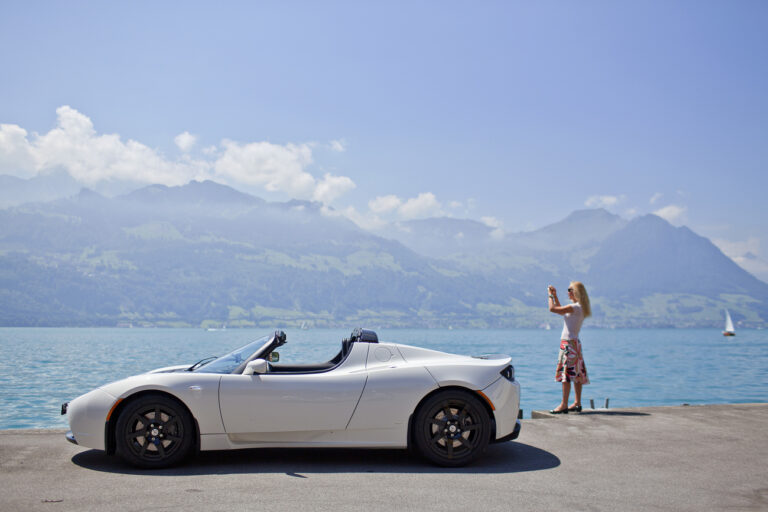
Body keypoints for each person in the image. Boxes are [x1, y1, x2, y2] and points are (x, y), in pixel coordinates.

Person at [547, 281, 591, 414]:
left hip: (568, 344)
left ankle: (564, 404)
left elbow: (553, 309)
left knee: (566, 375)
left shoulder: (575, 308)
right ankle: (577, 402)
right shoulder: (579, 307)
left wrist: (550, 296)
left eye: (570, 290)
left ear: (576, 292)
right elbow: (562, 311)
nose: (568, 292)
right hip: (575, 343)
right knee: (577, 374)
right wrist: (555, 296)